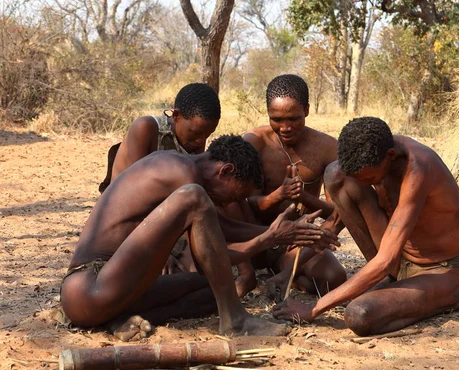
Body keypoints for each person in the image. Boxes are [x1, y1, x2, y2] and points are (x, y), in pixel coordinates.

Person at [61, 135, 336, 341]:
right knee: (195, 197)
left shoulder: (184, 172)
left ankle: (117, 320)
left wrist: (286, 233)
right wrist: (270, 237)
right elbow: (221, 234)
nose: (228, 202)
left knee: (210, 288)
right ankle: (236, 321)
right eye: (233, 195)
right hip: (90, 286)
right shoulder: (182, 175)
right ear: (225, 170)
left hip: (113, 293)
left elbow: (217, 242)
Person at [272, 117, 459, 336]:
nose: (368, 186)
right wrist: (288, 273)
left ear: (389, 157)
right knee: (335, 174)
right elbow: (334, 225)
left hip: (441, 271)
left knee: (358, 315)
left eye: (370, 179)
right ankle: (393, 285)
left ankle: (445, 300)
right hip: (398, 262)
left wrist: (314, 308)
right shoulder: (375, 156)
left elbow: (385, 260)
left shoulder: (418, 169)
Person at [236, 74, 347, 300]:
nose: (285, 127)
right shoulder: (254, 142)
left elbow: (337, 213)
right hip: (254, 237)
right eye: (276, 119)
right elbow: (242, 202)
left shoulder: (327, 147)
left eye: (294, 119)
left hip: (294, 240)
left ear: (306, 110)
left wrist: (303, 197)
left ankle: (286, 272)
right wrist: (278, 195)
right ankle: (248, 273)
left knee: (333, 279)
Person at [98, 82, 220, 193]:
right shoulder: (145, 128)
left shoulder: (196, 138)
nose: (201, 140)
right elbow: (134, 184)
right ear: (176, 115)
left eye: (209, 133)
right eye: (195, 133)